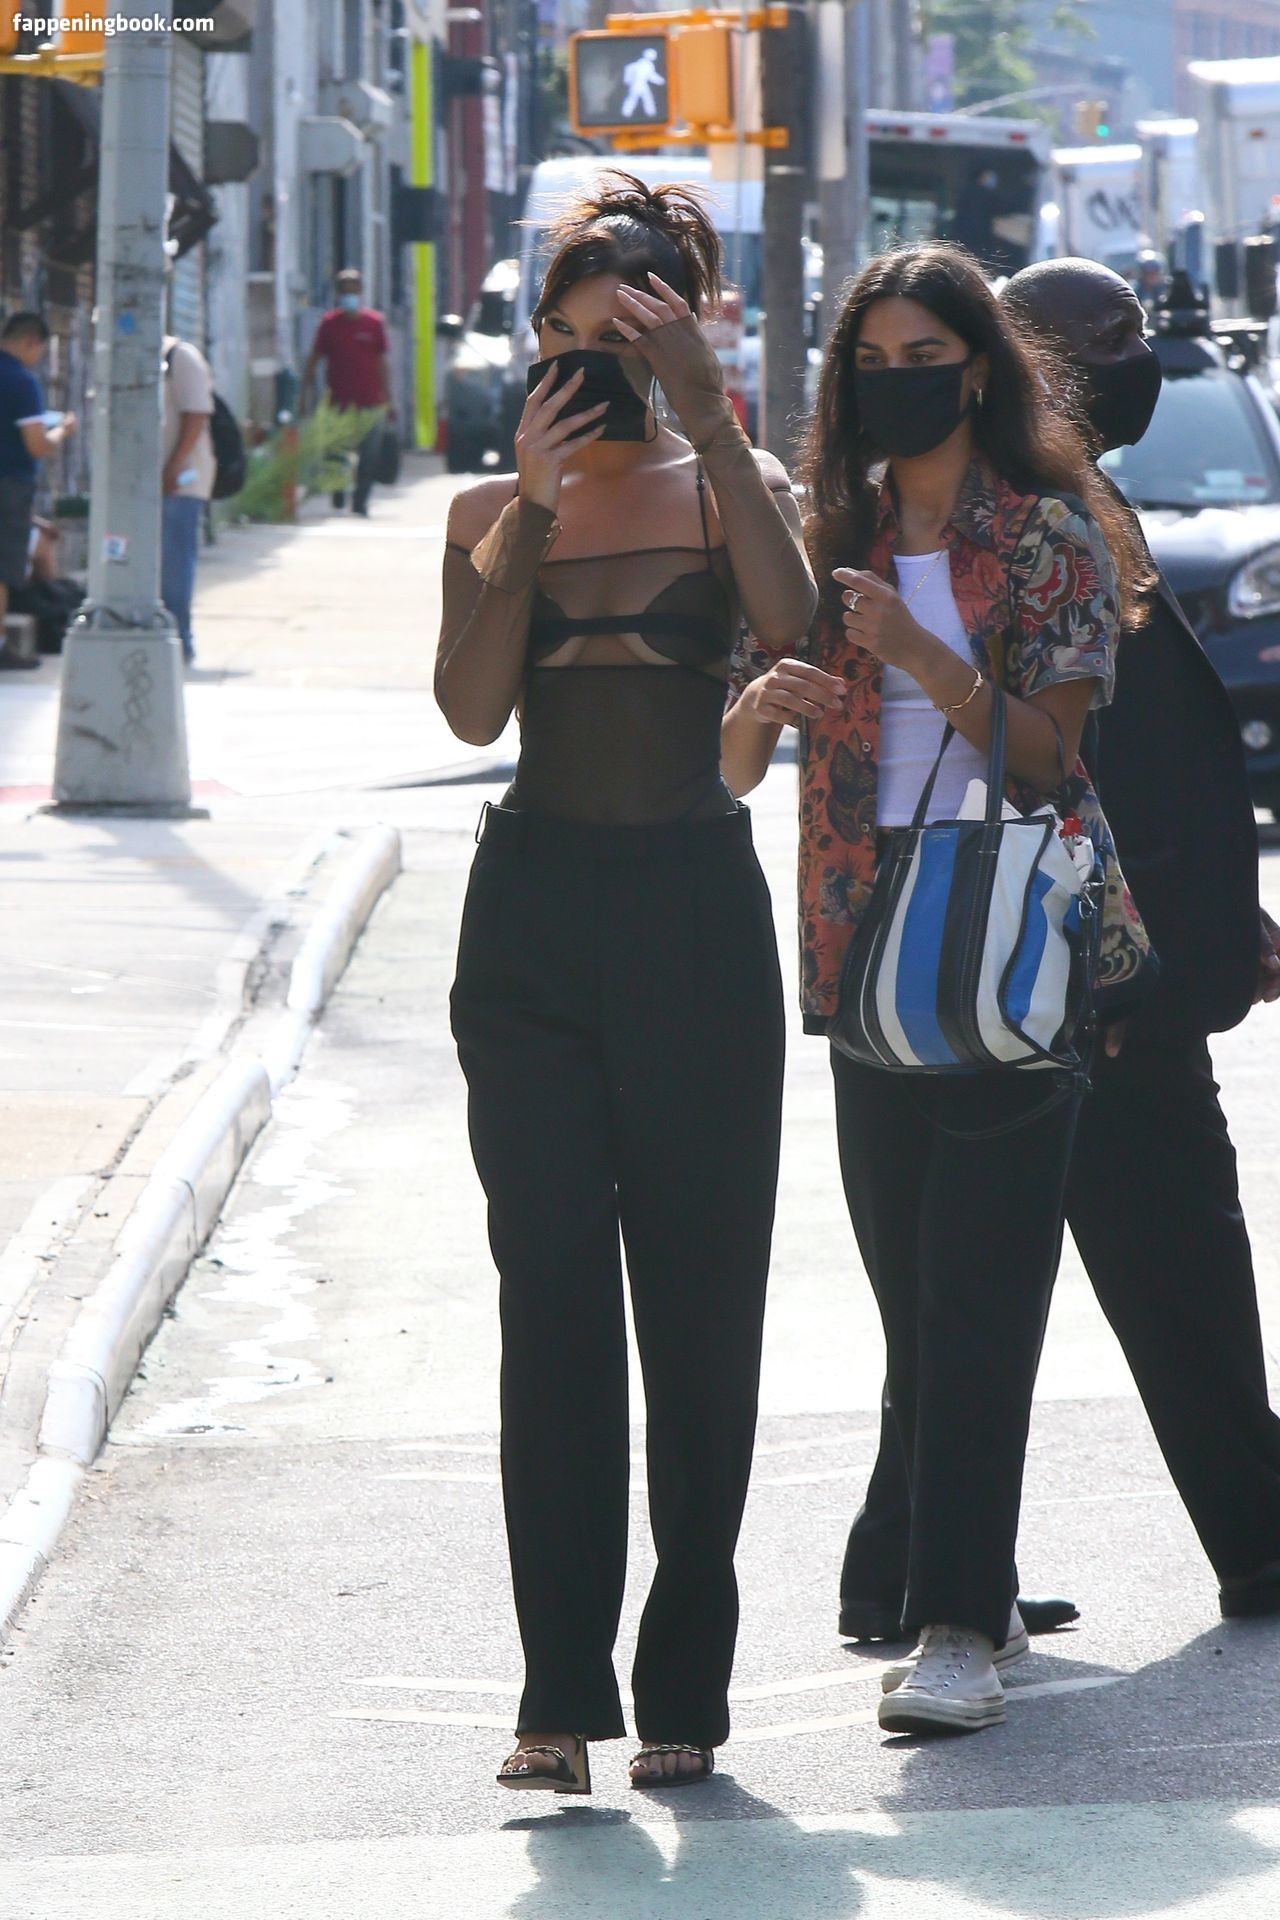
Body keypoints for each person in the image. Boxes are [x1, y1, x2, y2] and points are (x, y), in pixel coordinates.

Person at [723, 241, 1153, 1735]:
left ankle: (958, 1628)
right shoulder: (826, 537)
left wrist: (922, 652)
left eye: (924, 358)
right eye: (871, 362)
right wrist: (761, 704)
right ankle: (966, 1581)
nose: (895, 382)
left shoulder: (1044, 537)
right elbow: (741, 749)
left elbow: (1051, 755)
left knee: (976, 1304)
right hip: (866, 959)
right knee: (917, 1310)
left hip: (1010, 948)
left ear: (977, 371)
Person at [830, 259, 1280, 1648]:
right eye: (1114, 337)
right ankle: (1250, 1546)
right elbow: (1084, 766)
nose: (1142, 358)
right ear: (1034, 360)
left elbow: (1159, 754)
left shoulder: (1067, 517)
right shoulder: (1013, 524)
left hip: (1091, 951)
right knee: (1142, 1272)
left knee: (976, 1287)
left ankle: (907, 1566)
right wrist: (1132, 965)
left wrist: (1228, 917)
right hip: (1067, 965)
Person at [438, 174, 816, 1793]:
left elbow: (796, 623)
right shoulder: (485, 509)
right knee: (551, 1306)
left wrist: (712, 424)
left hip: (693, 925)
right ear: (539, 342)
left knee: (701, 1309)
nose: (599, 366)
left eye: (635, 339)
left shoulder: (735, 484)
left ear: (690, 333)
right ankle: (555, 1696)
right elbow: (470, 710)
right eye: (577, 340)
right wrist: (526, 510)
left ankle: (685, 1688)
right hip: (530, 927)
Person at [0, 312, 75, 661]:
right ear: (31, 342)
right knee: (3, 566)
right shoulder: (21, 381)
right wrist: (61, 432)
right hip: (9, 483)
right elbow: (36, 445)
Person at [300, 268, 394, 516]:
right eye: (344, 291)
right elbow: (314, 360)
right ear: (338, 294)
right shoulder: (329, 324)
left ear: (360, 292)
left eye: (353, 290)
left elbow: (382, 364)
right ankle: (338, 492)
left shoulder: (374, 323)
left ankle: (360, 501)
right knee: (335, 451)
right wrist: (304, 395)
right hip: (339, 402)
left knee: (369, 454)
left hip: (370, 401)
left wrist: (389, 400)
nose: (348, 295)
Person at [161, 332, 215, 666]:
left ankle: (180, 638)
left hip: (181, 482)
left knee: (174, 564)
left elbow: (197, 413)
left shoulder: (180, 357)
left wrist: (175, 464)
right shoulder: (124, 357)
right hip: (146, 486)